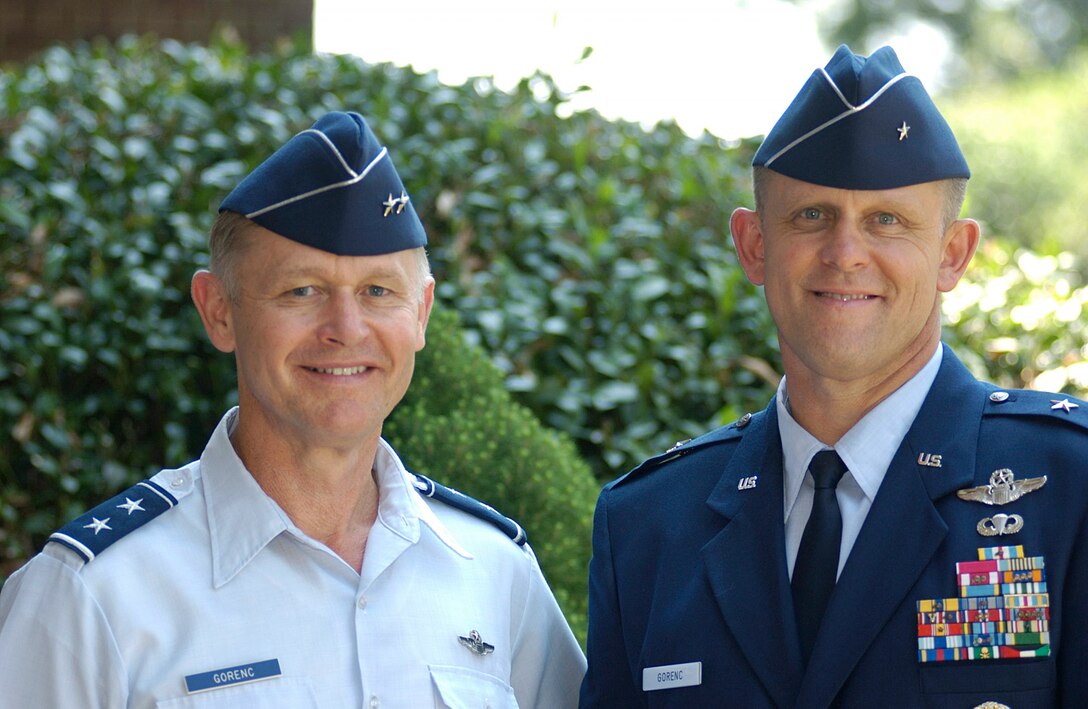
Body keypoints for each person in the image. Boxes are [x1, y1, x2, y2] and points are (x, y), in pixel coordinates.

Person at [0, 110, 585, 707]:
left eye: (378, 291)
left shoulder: (495, 573)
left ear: (422, 313)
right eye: (301, 290)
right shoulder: (91, 596)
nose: (346, 329)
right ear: (219, 310)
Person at [580, 45, 1088, 707]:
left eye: (888, 220)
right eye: (811, 215)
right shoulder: (650, 524)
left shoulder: (1070, 486)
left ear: (953, 254)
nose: (846, 253)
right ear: (754, 246)